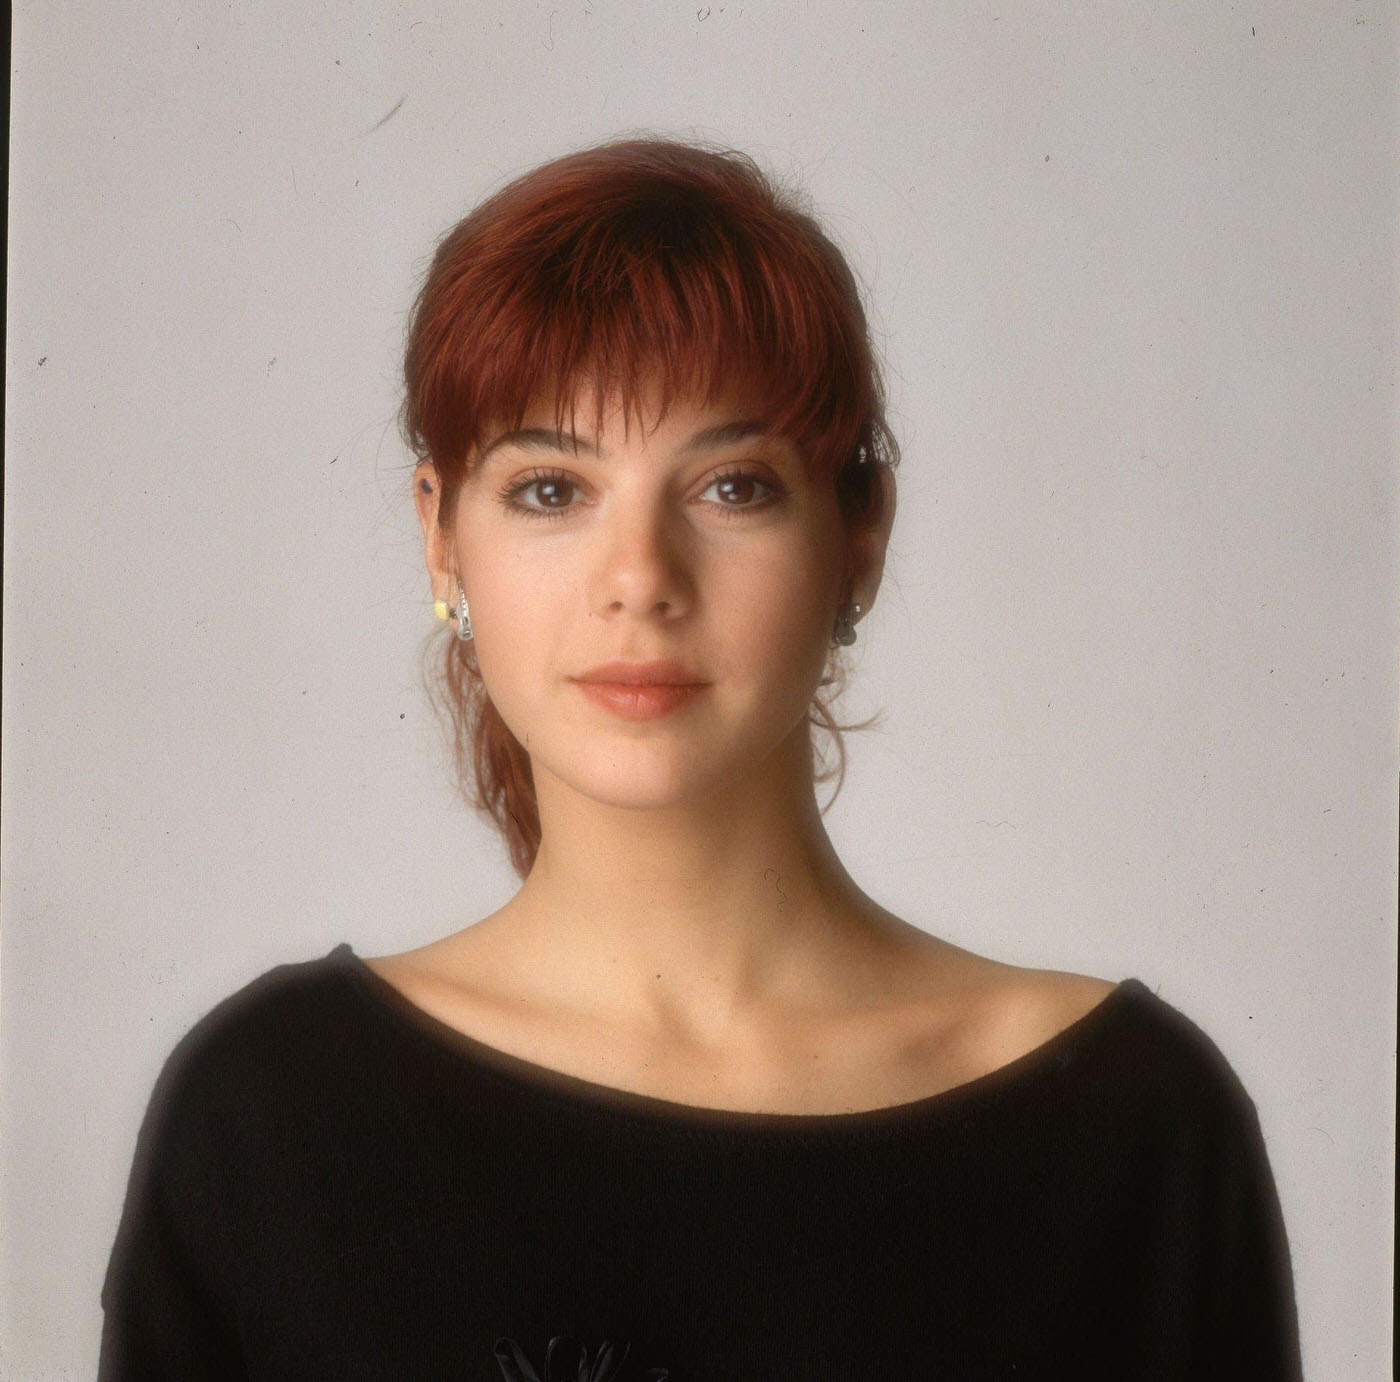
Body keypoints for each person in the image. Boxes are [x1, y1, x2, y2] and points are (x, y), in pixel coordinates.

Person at [98, 135, 1304, 1381]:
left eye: (731, 486)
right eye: (550, 488)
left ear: (859, 536)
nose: (639, 581)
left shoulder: (1130, 1127)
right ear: (439, 536)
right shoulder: (276, 1116)